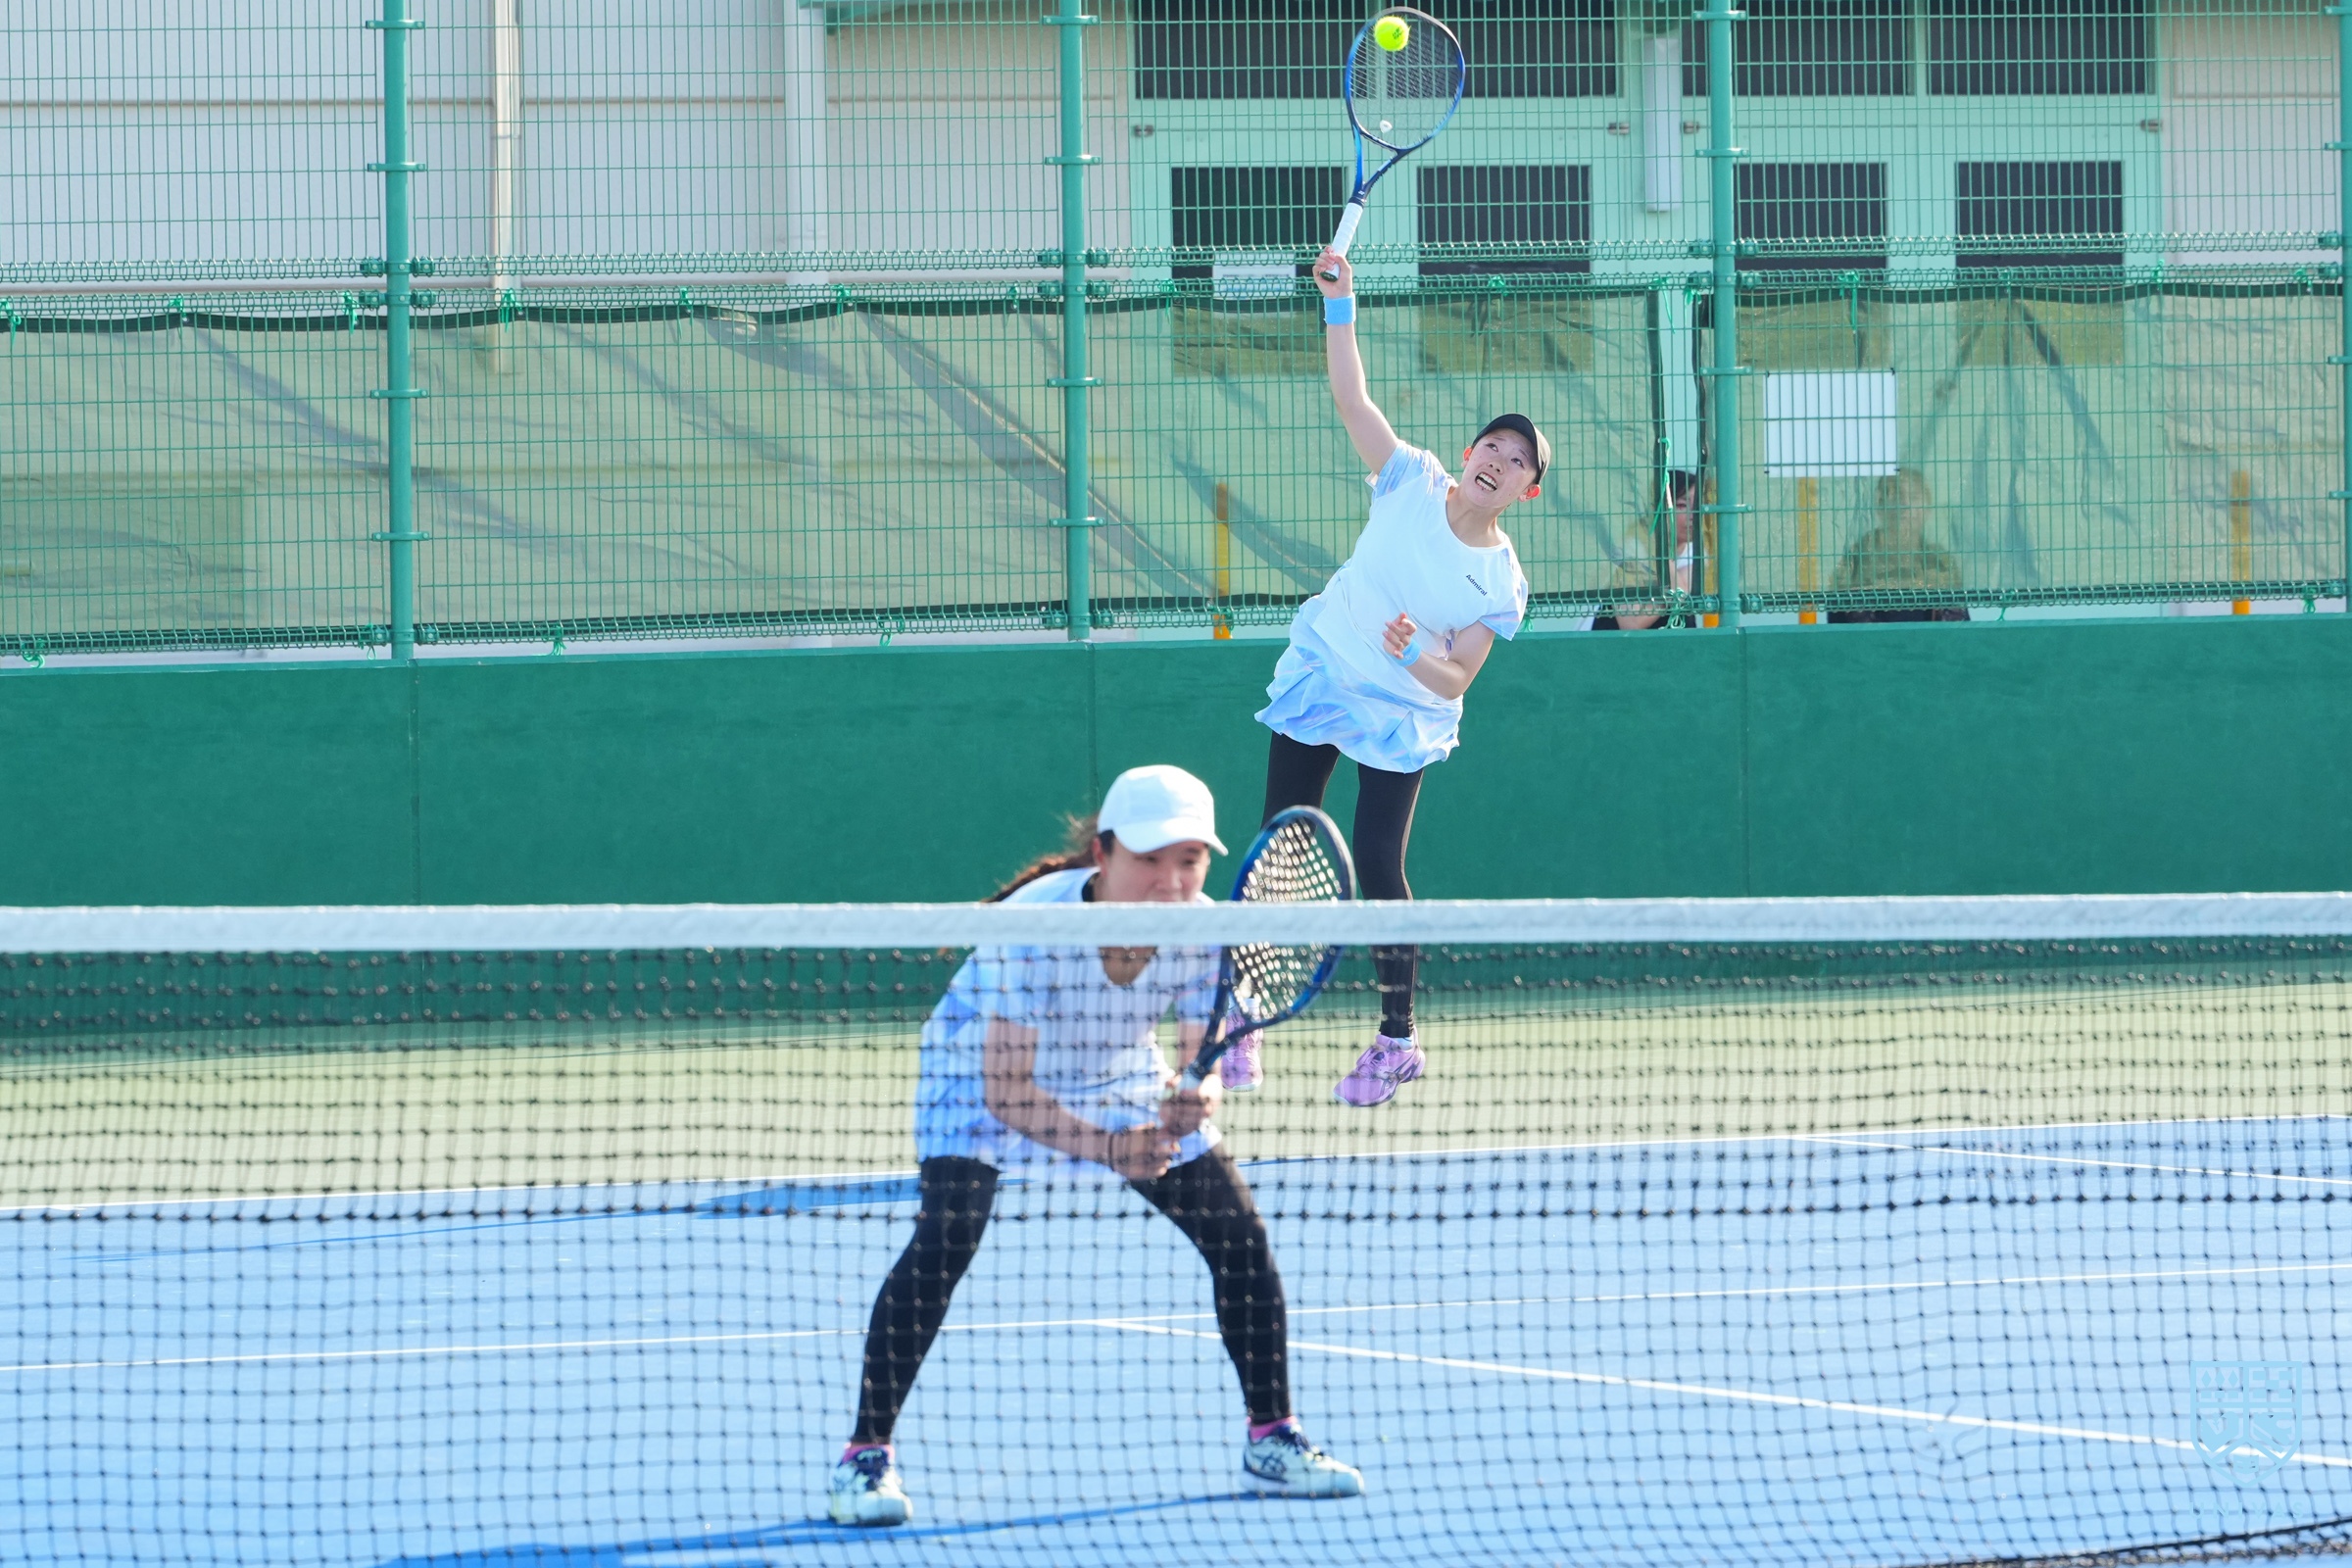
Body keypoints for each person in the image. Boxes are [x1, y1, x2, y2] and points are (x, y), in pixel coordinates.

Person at [826, 764, 1364, 1527]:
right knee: (947, 1234)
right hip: (976, 1072)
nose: (1171, 882)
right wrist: (1112, 1149)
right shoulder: (1033, 927)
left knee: (1239, 1237)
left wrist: (1194, 1096)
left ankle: (1272, 1437)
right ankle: (864, 1457)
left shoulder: (1204, 930)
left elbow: (1199, 1057)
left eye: (1190, 860)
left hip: (1117, 1070)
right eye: (1149, 859)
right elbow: (1006, 1092)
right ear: (1103, 854)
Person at [1226, 248, 1540, 1110]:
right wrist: (1342, 305)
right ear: (1470, 452)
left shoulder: (1500, 581)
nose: (1500, 459)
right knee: (1281, 843)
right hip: (1328, 671)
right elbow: (1352, 399)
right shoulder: (1409, 477)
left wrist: (1410, 657)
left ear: (1526, 491)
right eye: (1494, 444)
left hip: (1401, 711)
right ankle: (1243, 1018)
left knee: (1376, 863)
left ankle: (1398, 1041)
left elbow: (1456, 679)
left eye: (1519, 460)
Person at [1826, 467, 1971, 624]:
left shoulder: (1940, 561)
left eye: (1914, 497)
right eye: (1895, 496)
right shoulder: (1857, 559)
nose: (1904, 505)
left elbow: (1957, 625)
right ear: (1880, 506)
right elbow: (1842, 624)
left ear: (1927, 509)